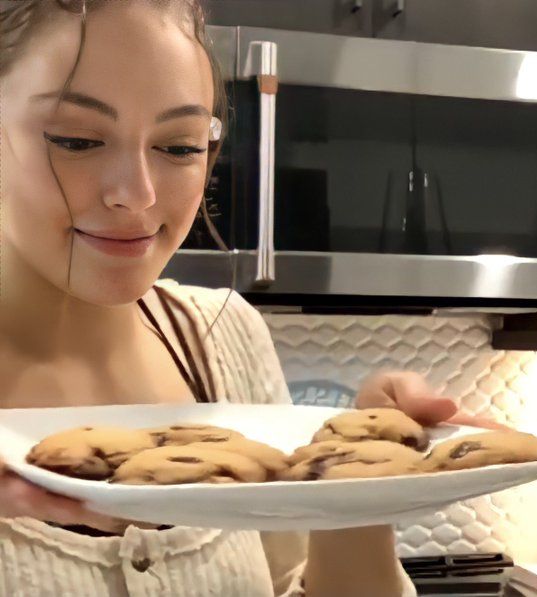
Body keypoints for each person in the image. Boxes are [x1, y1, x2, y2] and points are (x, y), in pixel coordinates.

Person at [0, 1, 501, 595]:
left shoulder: (224, 336)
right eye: (77, 140)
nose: (137, 195)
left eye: (180, 147)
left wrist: (353, 475)